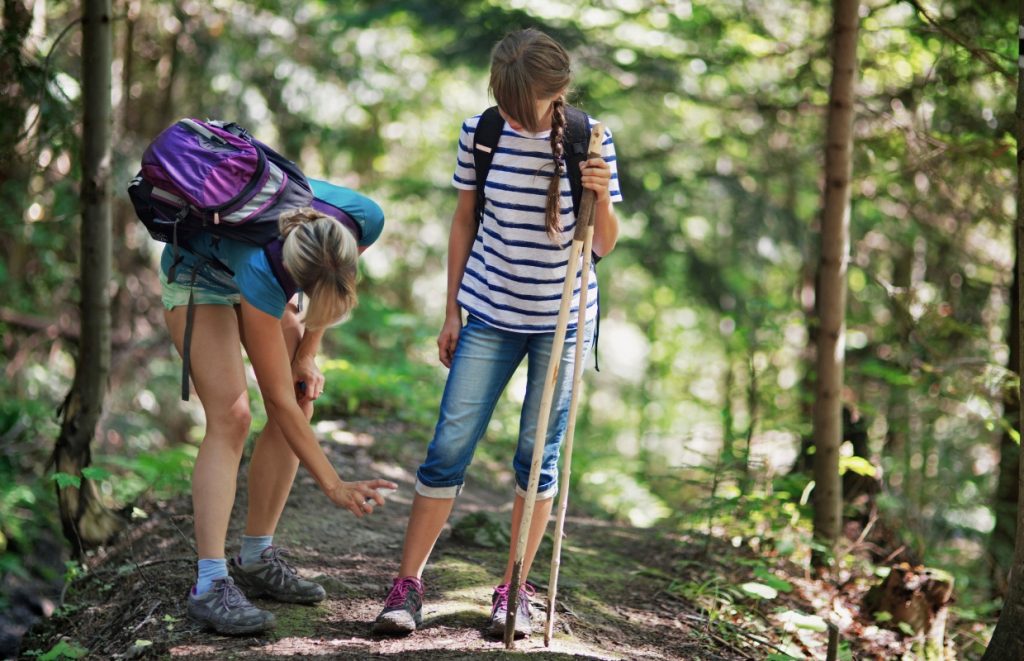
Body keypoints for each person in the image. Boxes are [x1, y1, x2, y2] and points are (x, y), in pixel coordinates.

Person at [373, 27, 622, 638]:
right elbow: (464, 222)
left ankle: (514, 587)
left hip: (561, 322)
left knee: (538, 461)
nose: (515, 114)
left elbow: (604, 246)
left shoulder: (591, 140)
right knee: (448, 447)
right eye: (506, 101)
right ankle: (406, 588)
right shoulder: (480, 134)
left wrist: (600, 197)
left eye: (525, 104)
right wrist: (452, 309)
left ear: (556, 91)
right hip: (487, 310)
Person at [161, 200, 398, 635]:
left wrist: (307, 353)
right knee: (232, 417)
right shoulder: (261, 271)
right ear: (294, 278)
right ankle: (210, 584)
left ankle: (256, 556)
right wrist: (334, 483)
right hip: (201, 275)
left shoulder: (360, 218)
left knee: (300, 390)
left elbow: (331, 282)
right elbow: (277, 403)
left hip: (269, 269)